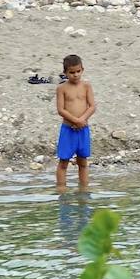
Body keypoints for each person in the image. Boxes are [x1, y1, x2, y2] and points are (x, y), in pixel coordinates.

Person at [55, 54, 96, 188]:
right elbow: (61, 109)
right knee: (63, 162)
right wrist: (75, 120)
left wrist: (82, 120)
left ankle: (84, 189)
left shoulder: (86, 86)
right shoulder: (62, 88)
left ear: (82, 69)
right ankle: (61, 190)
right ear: (65, 72)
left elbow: (92, 106)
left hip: (83, 129)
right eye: (71, 72)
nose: (75, 75)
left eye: (78, 71)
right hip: (68, 129)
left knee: (83, 162)